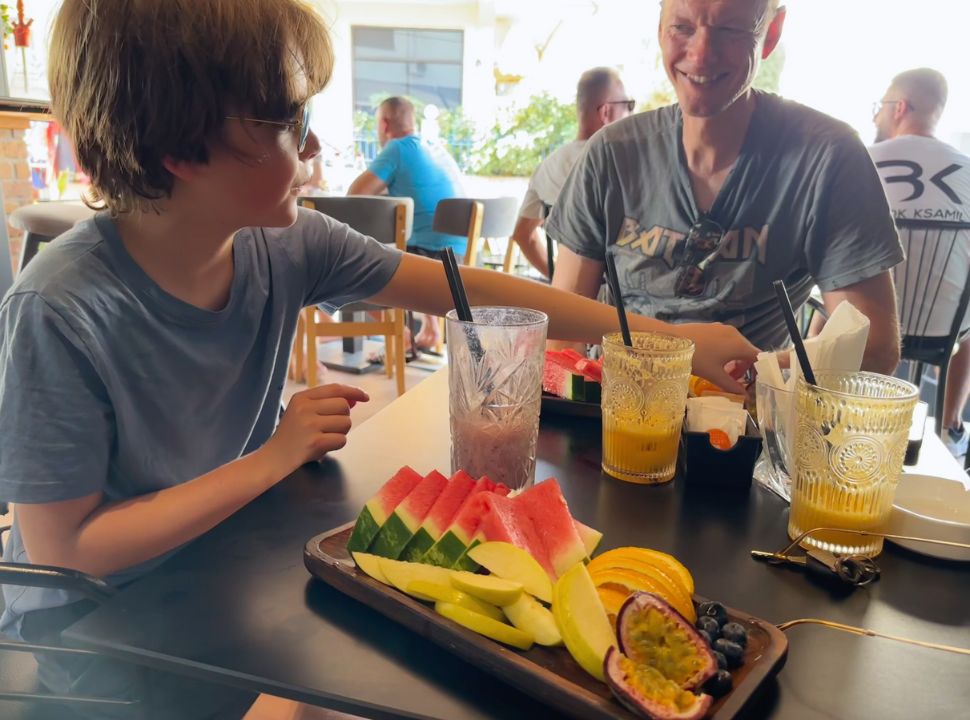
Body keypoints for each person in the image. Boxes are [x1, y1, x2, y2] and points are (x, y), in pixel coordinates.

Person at [0, 1, 758, 717]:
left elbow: (467, 291)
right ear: (181, 150)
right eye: (287, 121)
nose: (318, 147)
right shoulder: (59, 309)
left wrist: (668, 339)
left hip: (214, 561)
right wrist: (273, 457)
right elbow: (70, 547)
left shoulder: (284, 242)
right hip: (95, 627)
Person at [546, 0, 903, 374]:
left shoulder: (827, 157)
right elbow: (561, 334)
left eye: (730, 30)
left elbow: (874, 346)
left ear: (771, 33)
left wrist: (756, 366)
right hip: (621, 409)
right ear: (660, 28)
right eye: (682, 27)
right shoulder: (612, 153)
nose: (701, 56)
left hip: (749, 415)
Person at [869, 68, 970, 456]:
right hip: (944, 333)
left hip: (871, 327)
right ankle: (950, 428)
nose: (877, 117)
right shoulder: (965, 169)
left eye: (880, 107)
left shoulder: (863, 160)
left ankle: (819, 400)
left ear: (900, 107)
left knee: (836, 295)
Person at [348, 96, 465, 350]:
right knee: (407, 237)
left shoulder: (397, 148)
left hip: (431, 257)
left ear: (384, 124)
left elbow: (355, 196)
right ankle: (430, 329)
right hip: (458, 257)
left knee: (353, 265)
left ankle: (399, 334)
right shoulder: (435, 147)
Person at [510, 67, 633, 277]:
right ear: (606, 112)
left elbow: (523, 236)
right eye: (628, 105)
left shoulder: (548, 166)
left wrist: (559, 279)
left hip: (574, 297)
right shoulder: (627, 165)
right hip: (624, 299)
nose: (632, 113)